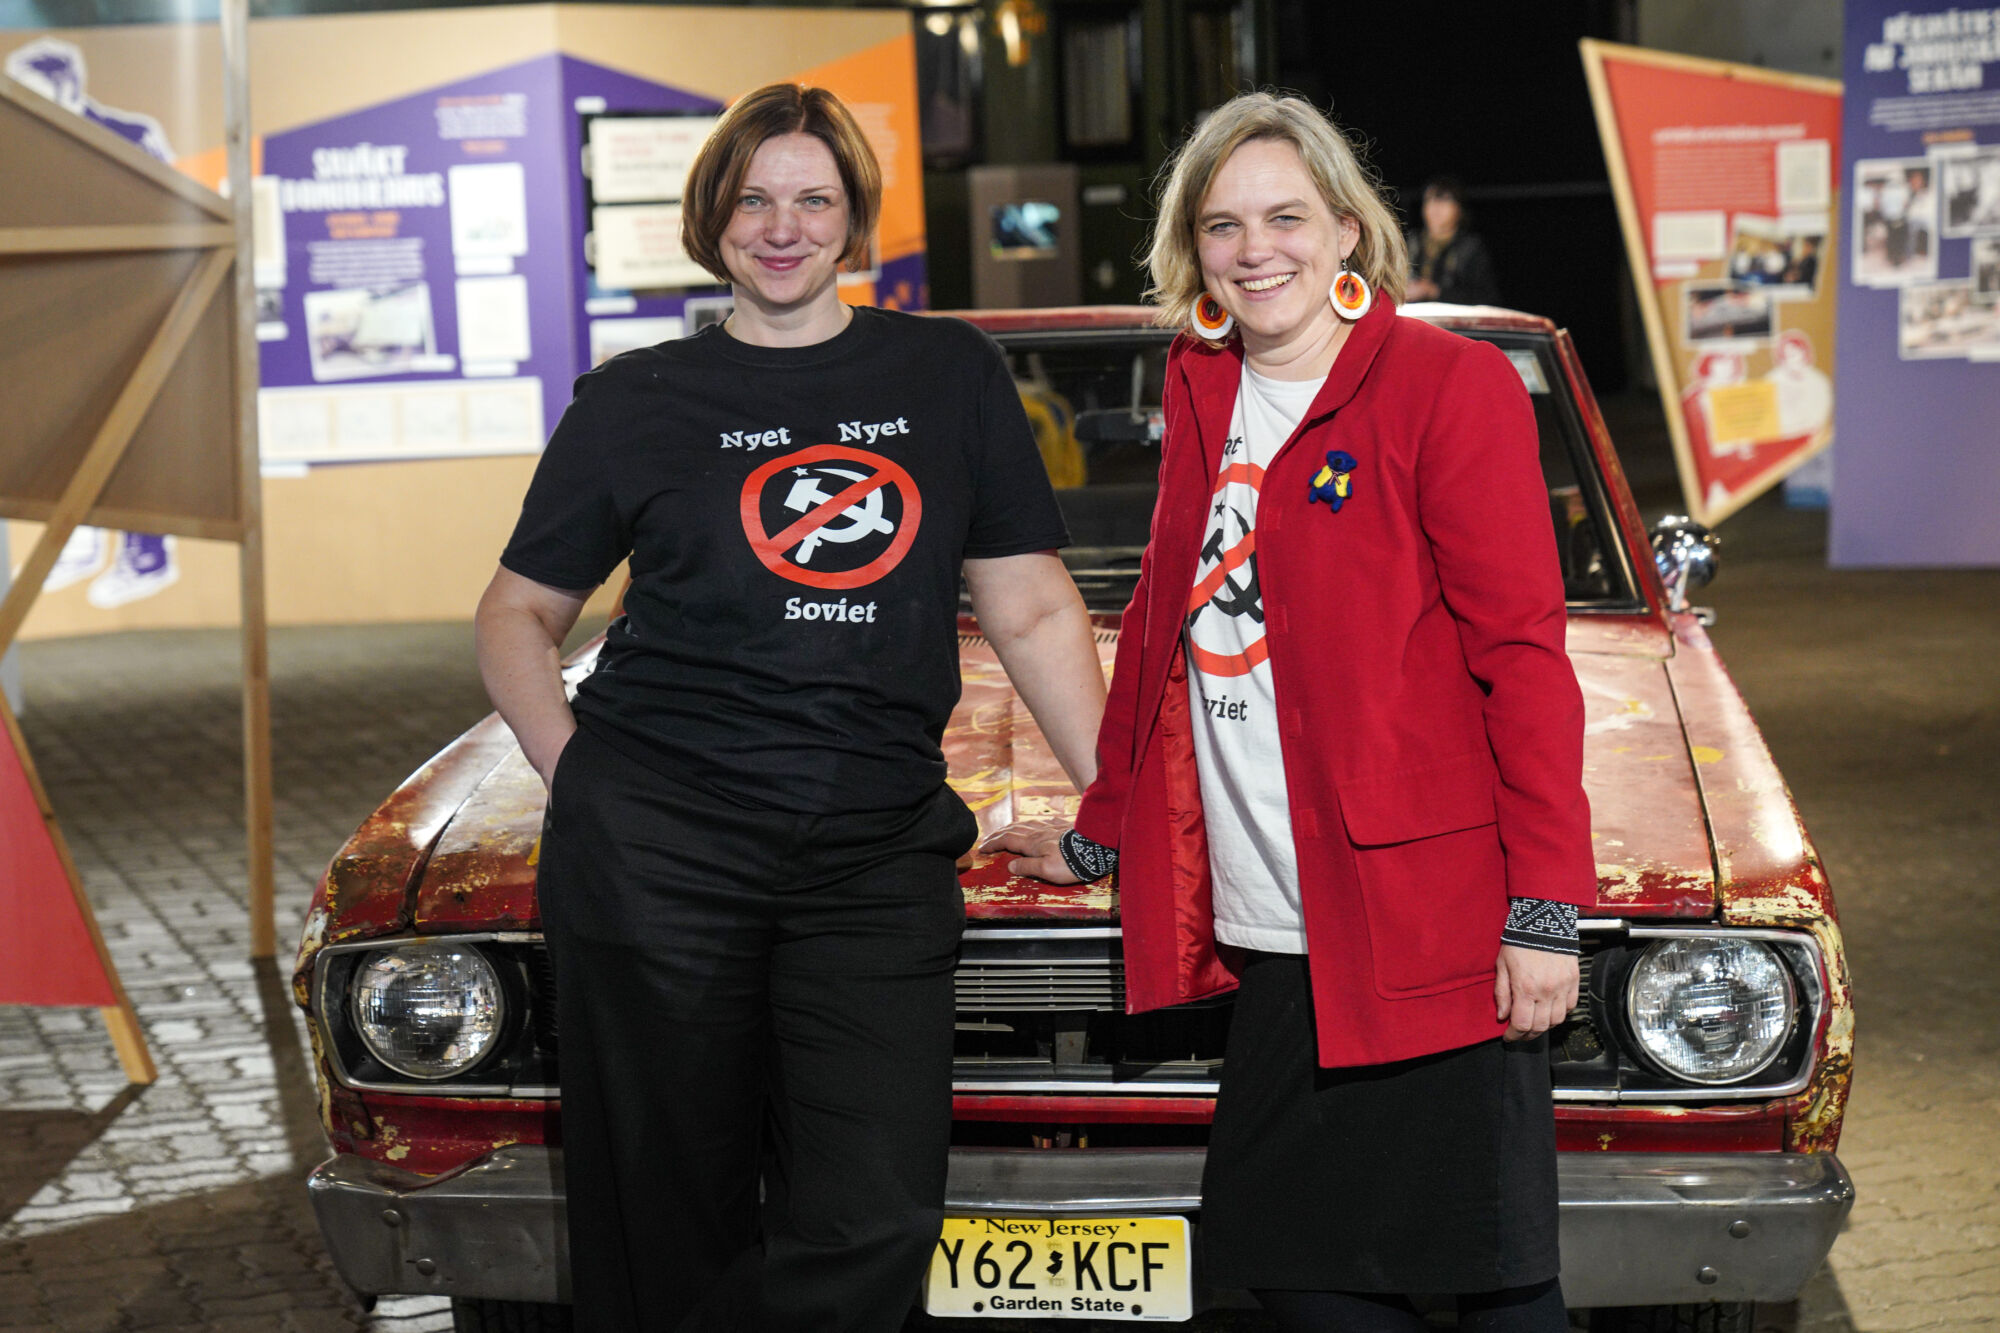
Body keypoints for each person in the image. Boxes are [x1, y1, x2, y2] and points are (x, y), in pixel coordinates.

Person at [474, 83, 1107, 1332]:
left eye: (813, 198)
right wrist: (579, 775)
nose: (782, 226)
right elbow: (513, 617)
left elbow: (1031, 609)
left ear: (853, 218)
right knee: (666, 1211)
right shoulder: (636, 400)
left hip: (871, 854)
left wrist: (1118, 792)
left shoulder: (944, 373)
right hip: (659, 856)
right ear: (714, 219)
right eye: (754, 199)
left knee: (871, 1210)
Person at [983, 93, 1595, 1331]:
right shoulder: (1203, 378)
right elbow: (1164, 623)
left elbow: (1521, 658)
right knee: (1295, 1268)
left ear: (1344, 228)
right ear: (1188, 247)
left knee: (1486, 1275)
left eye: (1283, 216)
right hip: (1275, 922)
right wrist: (1102, 827)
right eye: (1221, 225)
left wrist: (1543, 905)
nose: (1253, 249)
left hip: (1427, 920)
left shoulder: (1446, 386)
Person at [1403, 175, 1499, 306]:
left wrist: (1433, 290)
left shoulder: (1470, 247)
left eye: (1444, 200)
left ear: (1459, 209)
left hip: (1456, 321)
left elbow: (1486, 297)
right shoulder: (1412, 243)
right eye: (1429, 200)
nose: (1435, 207)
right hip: (1414, 316)